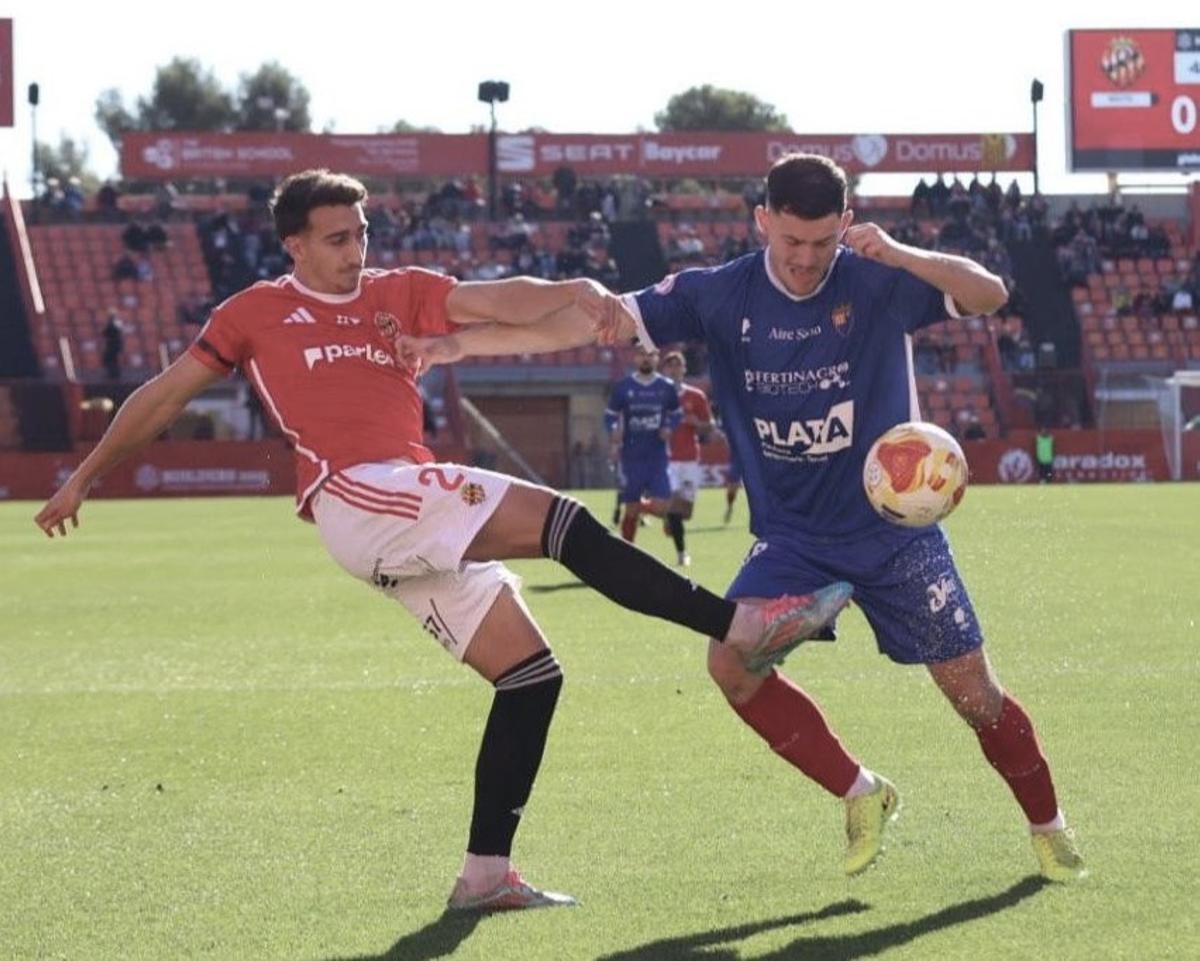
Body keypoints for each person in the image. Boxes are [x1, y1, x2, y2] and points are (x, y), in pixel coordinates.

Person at [34, 168, 851, 914]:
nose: (354, 251)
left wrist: (570, 288)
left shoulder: (397, 291)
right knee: (563, 522)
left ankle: (485, 874)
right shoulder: (254, 311)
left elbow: (497, 299)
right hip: (358, 495)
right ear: (294, 245)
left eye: (360, 233)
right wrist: (84, 476)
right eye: (335, 238)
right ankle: (740, 625)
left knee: (530, 676)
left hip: (407, 505)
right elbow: (164, 395)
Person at [401, 154, 1085, 884]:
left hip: (895, 537)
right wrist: (458, 344)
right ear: (762, 221)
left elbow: (989, 293)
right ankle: (863, 791)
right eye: (791, 241)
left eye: (822, 242)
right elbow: (594, 319)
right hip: (794, 538)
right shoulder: (718, 294)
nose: (806, 259)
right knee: (731, 662)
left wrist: (900, 252)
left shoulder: (878, 281)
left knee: (976, 697)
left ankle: (1049, 828)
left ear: (847, 225)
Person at [605, 346, 680, 544]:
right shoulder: (624, 387)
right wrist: (614, 429)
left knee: (662, 506)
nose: (646, 359)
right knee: (630, 509)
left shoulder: (666, 386)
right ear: (635, 358)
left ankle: (636, 509)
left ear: (656, 358)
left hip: (657, 455)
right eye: (641, 355)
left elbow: (676, 414)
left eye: (650, 355)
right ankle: (627, 550)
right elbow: (610, 416)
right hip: (631, 456)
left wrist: (669, 427)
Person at [660, 350, 715, 566]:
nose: (674, 370)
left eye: (678, 366)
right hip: (666, 460)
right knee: (674, 507)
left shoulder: (696, 396)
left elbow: (710, 426)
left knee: (685, 511)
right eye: (670, 366)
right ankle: (682, 554)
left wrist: (697, 423)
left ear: (684, 369)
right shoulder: (657, 396)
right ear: (664, 370)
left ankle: (670, 520)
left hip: (690, 458)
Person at [101, 311, 127, 382]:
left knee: (111, 360)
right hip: (114, 345)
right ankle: (113, 374)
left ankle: (114, 375)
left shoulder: (114, 324)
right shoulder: (116, 323)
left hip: (113, 345)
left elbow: (105, 332)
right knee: (112, 360)